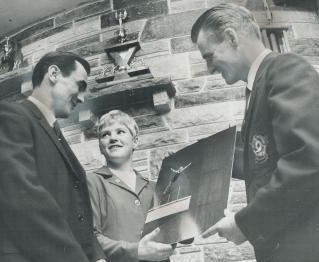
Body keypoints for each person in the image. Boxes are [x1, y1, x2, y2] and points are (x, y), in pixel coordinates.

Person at [191, 4, 319, 262]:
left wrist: (245, 223)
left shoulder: (285, 69)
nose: (208, 69)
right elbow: (261, 157)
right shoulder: (257, 87)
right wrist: (198, 162)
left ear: (231, 37)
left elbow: (308, 159)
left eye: (208, 56)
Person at [0, 51, 105, 262]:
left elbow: (77, 211)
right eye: (80, 85)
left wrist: (97, 257)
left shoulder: (54, 133)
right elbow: (24, 202)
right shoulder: (10, 117)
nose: (82, 98)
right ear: (54, 73)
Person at [87, 110, 175, 262]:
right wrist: (136, 251)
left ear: (135, 141)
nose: (113, 138)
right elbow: (90, 237)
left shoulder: (154, 187)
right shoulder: (92, 182)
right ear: (101, 147)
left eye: (120, 131)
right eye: (105, 134)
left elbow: (177, 233)